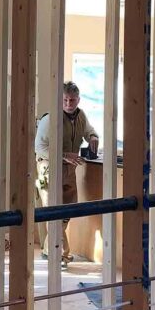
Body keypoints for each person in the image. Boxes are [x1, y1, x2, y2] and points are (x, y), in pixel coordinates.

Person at [34, 81, 99, 267]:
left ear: (78, 100)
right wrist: (63, 155)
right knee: (54, 211)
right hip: (49, 169)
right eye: (65, 100)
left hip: (69, 169)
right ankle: (57, 254)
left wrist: (93, 137)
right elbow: (39, 148)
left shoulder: (80, 116)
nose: (69, 103)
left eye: (72, 100)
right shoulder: (50, 120)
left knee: (68, 210)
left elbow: (88, 130)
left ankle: (51, 250)